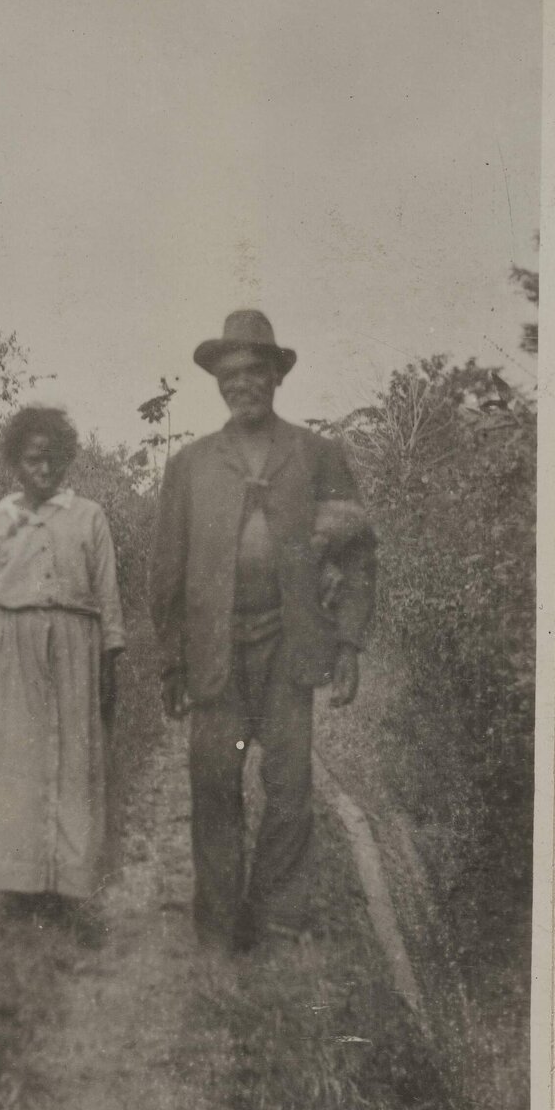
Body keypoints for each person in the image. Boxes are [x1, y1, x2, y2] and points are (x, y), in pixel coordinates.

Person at [149, 310, 376, 954]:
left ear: (277, 377)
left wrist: (349, 644)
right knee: (214, 783)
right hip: (213, 649)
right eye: (230, 375)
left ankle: (277, 920)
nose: (242, 383)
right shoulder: (190, 465)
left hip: (289, 643)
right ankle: (220, 925)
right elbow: (167, 569)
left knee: (290, 786)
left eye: (255, 371)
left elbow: (357, 553)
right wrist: (172, 661)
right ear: (218, 383)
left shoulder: (317, 455)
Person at [0, 406, 125, 939]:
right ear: (15, 462)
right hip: (11, 646)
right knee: (16, 760)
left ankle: (69, 887)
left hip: (76, 645)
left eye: (53, 459)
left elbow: (107, 595)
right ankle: (17, 886)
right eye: (34, 459)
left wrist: (110, 660)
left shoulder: (89, 517)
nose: (45, 469)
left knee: (73, 759)